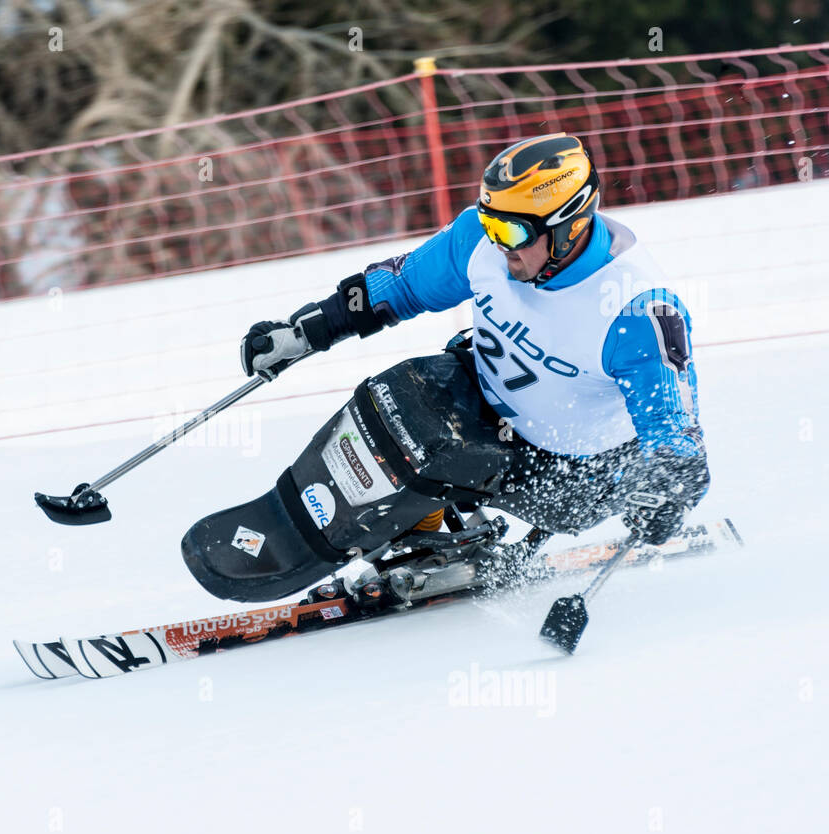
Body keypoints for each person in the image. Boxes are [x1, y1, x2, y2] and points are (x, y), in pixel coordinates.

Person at [184, 133, 709, 602]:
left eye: (511, 232)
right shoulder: (486, 241)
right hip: (489, 399)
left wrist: (668, 486)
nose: (497, 243)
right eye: (490, 223)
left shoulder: (636, 310)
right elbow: (402, 285)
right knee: (393, 395)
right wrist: (306, 332)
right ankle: (406, 529)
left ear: (568, 227)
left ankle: (412, 531)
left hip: (573, 472)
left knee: (429, 443)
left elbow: (677, 431)